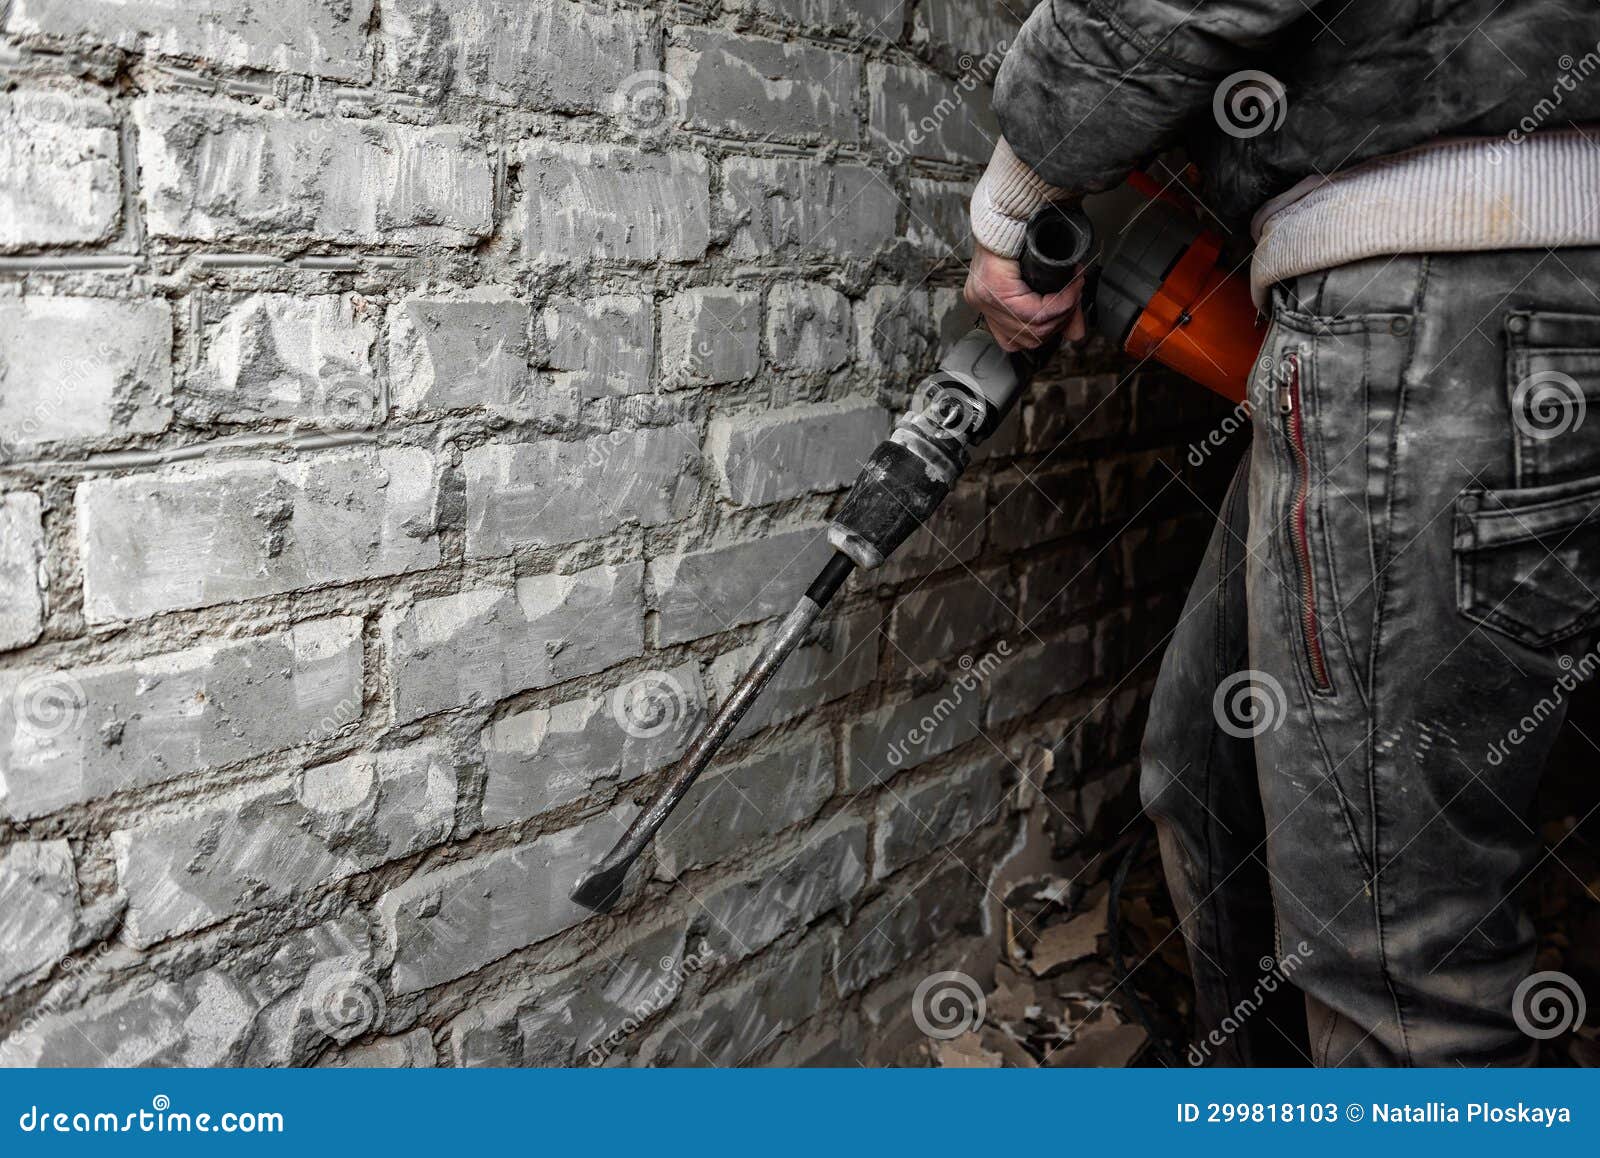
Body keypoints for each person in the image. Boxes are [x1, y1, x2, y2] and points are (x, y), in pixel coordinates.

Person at [964, 0, 1600, 1066]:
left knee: (1397, 960)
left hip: (1438, 286)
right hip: (1439, 306)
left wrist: (1016, 194)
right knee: (1212, 773)